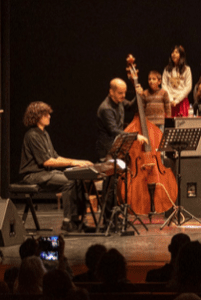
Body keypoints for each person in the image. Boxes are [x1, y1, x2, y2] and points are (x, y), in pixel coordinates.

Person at [19, 101, 93, 232]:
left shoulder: (44, 134)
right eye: (45, 114)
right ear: (37, 116)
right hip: (33, 175)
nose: (49, 116)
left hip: (46, 174)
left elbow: (55, 157)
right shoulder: (32, 135)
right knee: (70, 181)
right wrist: (72, 163)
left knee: (78, 178)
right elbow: (46, 162)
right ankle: (67, 221)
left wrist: (78, 161)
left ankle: (79, 220)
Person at [96, 78, 148, 160]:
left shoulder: (119, 101)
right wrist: (135, 136)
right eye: (120, 93)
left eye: (124, 92)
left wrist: (138, 95)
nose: (124, 95)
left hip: (117, 148)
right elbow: (114, 130)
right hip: (107, 151)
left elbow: (130, 107)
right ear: (111, 92)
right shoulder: (106, 108)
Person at [162, 45, 192, 118]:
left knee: (182, 124)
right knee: (170, 124)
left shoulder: (187, 69)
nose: (174, 54)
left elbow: (188, 87)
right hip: (170, 102)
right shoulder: (166, 69)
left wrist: (177, 100)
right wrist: (171, 99)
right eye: (172, 52)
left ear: (181, 55)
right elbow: (164, 85)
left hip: (182, 102)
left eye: (176, 52)